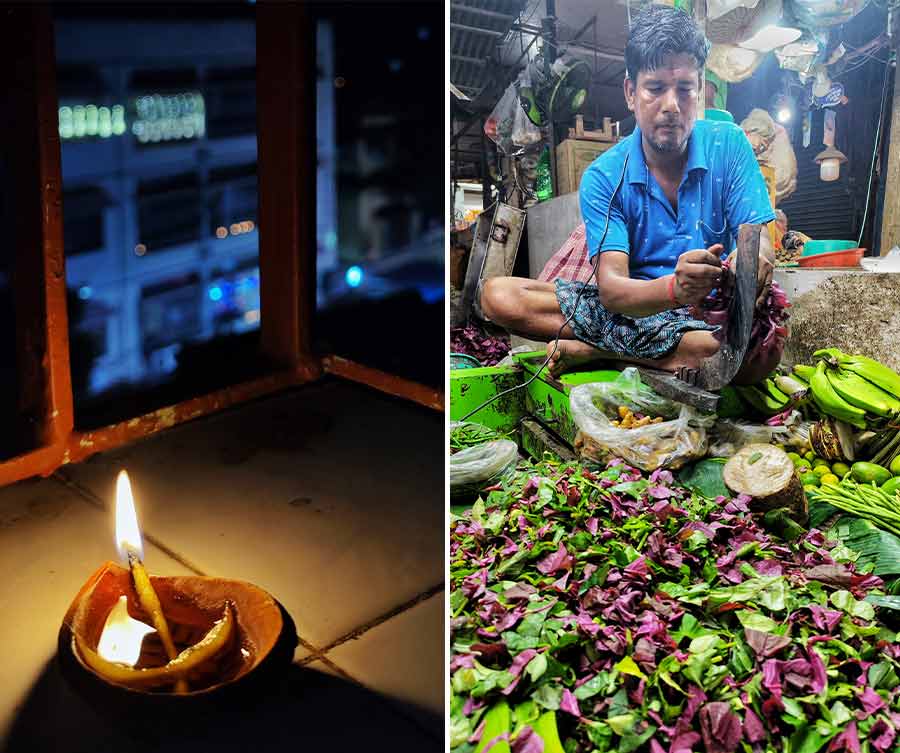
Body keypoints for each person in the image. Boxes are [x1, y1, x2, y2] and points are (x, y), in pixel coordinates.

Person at [481, 5, 777, 380]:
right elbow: (613, 292)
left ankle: (596, 350)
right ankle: (651, 355)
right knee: (498, 296)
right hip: (634, 309)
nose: (671, 105)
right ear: (630, 93)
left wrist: (754, 260)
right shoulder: (605, 176)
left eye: (685, 88)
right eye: (655, 88)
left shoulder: (730, 145)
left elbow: (759, 239)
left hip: (704, 321)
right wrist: (674, 288)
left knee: (759, 356)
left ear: (699, 90)